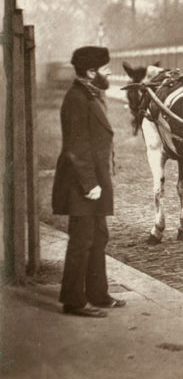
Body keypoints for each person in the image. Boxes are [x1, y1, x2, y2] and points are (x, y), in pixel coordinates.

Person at [52, 46, 126, 317]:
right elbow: (76, 146)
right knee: (81, 240)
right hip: (82, 184)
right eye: (105, 68)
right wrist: (89, 184)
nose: (109, 72)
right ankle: (73, 301)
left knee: (98, 237)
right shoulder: (76, 98)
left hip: (93, 182)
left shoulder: (90, 94)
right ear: (91, 72)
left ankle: (98, 294)